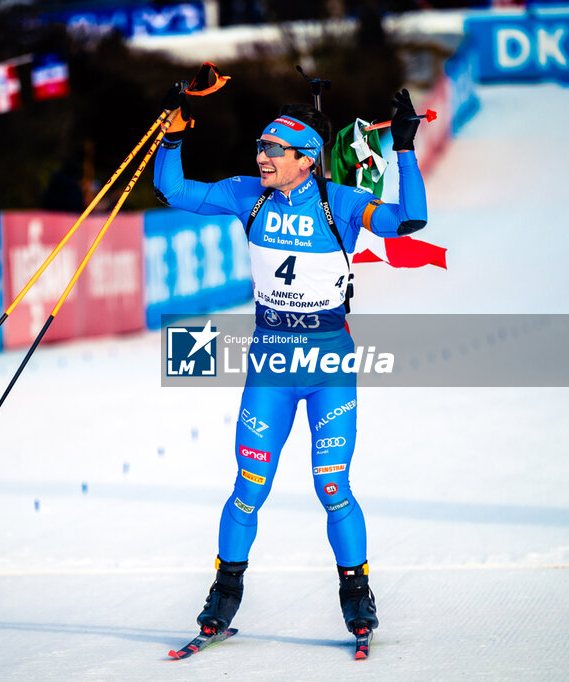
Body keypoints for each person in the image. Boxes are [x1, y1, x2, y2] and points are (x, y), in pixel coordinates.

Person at [153, 85, 427, 640]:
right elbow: (172, 189)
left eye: (276, 150)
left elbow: (409, 222)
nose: (263, 157)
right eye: (261, 146)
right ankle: (225, 593)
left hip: (329, 366)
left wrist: (404, 150)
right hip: (271, 367)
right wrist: (174, 135)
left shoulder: (340, 203)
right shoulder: (244, 194)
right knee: (250, 486)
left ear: (306, 158)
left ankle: (356, 591)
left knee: (333, 487)